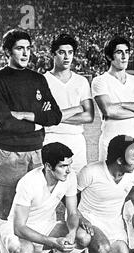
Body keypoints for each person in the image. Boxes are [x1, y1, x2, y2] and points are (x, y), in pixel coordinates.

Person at [0, 29, 62, 253]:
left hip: (38, 153)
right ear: (8, 51)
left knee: (37, 205)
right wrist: (38, 123)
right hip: (9, 152)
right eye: (19, 48)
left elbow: (55, 116)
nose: (25, 52)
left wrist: (28, 116)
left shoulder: (38, 79)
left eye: (28, 48)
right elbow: (5, 122)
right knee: (7, 209)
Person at [0, 142, 91, 253]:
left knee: (84, 237)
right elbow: (19, 227)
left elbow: (73, 212)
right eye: (62, 166)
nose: (68, 170)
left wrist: (72, 232)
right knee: (24, 251)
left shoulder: (70, 176)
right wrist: (52, 242)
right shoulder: (28, 183)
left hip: (46, 225)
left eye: (69, 165)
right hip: (17, 228)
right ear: (48, 166)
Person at [91, 37, 134, 161]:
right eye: (119, 52)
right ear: (109, 57)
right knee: (110, 179)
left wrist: (120, 105)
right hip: (111, 142)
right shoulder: (100, 81)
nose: (125, 56)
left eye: (127, 52)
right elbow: (109, 111)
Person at [44, 33, 94, 174]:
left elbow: (89, 116)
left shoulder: (81, 81)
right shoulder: (43, 81)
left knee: (77, 188)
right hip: (51, 138)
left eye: (70, 52)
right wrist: (77, 108)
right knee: (52, 187)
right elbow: (42, 118)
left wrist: (55, 117)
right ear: (52, 54)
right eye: (61, 52)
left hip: (76, 140)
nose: (67, 57)